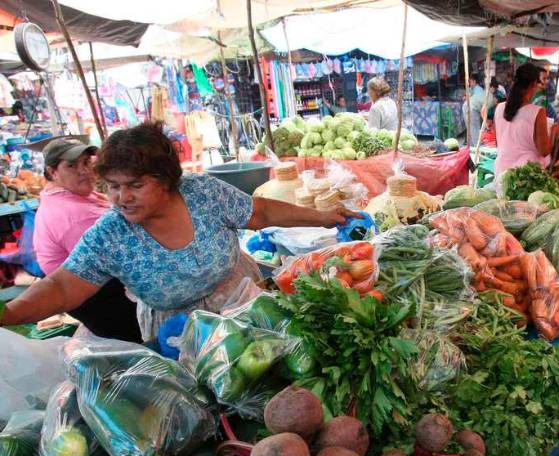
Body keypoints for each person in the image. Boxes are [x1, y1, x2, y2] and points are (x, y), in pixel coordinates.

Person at [0, 122, 357, 341]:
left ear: (166, 179)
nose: (121, 198)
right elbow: (62, 285)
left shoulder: (203, 193)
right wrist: (12, 313)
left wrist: (322, 216)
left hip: (247, 305)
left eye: (135, 185)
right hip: (181, 335)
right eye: (112, 186)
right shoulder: (110, 234)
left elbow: (259, 212)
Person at [33, 138, 142, 343]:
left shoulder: (71, 197)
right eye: (72, 165)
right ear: (52, 172)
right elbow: (126, 258)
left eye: (85, 162)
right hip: (100, 300)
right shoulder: (74, 215)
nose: (84, 170)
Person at [493, 63, 559, 180]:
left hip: (501, 174)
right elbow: (544, 151)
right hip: (525, 177)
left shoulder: (499, 108)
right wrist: (553, 132)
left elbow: (499, 144)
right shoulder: (537, 112)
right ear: (534, 84)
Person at [462, 73, 485, 146]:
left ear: (474, 81)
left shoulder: (479, 90)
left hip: (473, 111)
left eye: (470, 81)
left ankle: (476, 146)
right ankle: (472, 146)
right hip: (468, 110)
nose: (469, 83)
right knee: (470, 129)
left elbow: (479, 102)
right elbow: (466, 97)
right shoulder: (471, 89)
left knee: (474, 129)